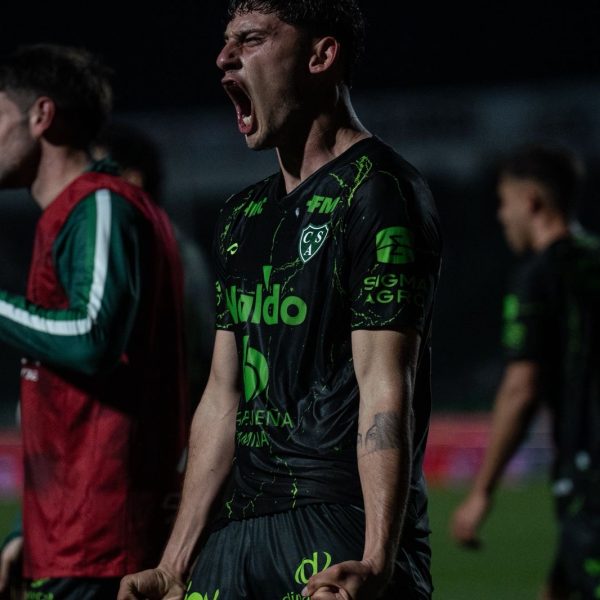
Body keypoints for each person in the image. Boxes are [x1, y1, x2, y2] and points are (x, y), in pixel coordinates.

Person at [119, 1, 441, 599]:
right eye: (226, 41)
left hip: (334, 524)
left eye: (251, 40)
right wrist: (173, 565)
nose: (224, 58)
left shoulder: (380, 193)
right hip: (236, 532)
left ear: (321, 55)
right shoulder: (241, 216)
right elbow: (223, 396)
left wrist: (376, 560)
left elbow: (383, 384)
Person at [0, 44, 188, 599]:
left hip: (103, 543)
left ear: (41, 115)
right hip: (73, 536)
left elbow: (93, 338)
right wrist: (27, 531)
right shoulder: (75, 212)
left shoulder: (101, 204)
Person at [451, 144, 600, 599]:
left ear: (531, 201)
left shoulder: (539, 276)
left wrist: (482, 491)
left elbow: (522, 388)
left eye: (504, 202)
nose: (501, 216)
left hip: (590, 474)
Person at [92, 122, 215, 408]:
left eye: (98, 171)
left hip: (162, 419)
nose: (86, 184)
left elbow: (200, 350)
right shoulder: (165, 246)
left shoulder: (166, 251)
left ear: (133, 179)